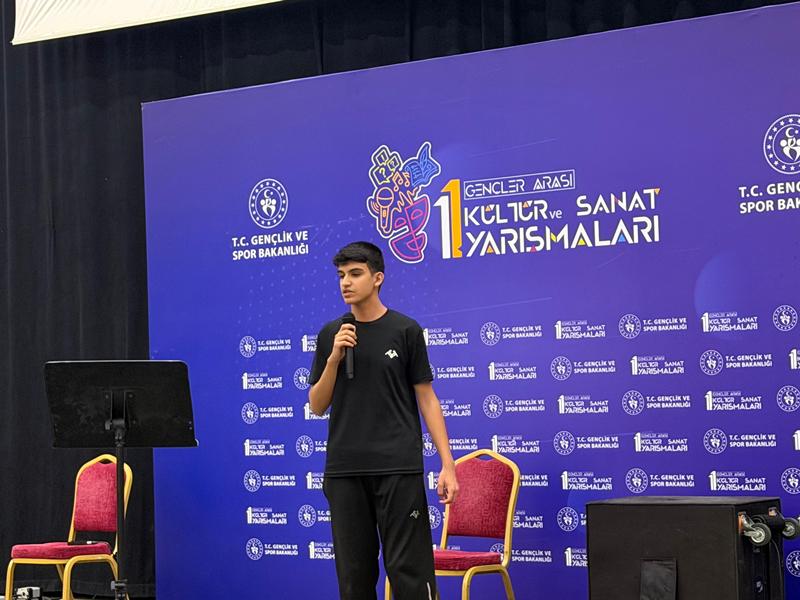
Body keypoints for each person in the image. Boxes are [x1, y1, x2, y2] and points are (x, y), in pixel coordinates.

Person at [308, 241, 459, 600]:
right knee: (354, 580)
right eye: (341, 275)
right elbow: (316, 405)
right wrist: (333, 359)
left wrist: (448, 464)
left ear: (378, 278)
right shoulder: (331, 334)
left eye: (355, 274)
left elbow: (427, 398)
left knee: (410, 574)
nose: (346, 282)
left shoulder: (405, 330)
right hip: (345, 471)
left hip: (397, 468)